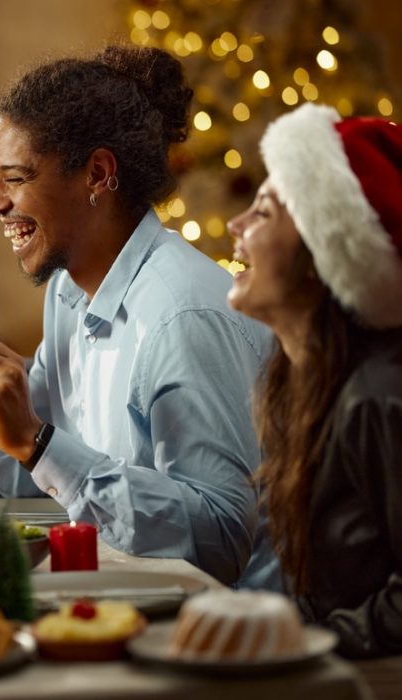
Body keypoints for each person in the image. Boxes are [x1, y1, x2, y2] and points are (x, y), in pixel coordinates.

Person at [0, 45, 276, 587]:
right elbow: (37, 473)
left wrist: (38, 442)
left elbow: (222, 541)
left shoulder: (183, 317)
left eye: (14, 178)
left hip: (222, 631)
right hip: (123, 594)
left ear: (97, 175)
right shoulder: (68, 290)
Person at [227, 103, 402, 657]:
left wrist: (299, 649)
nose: (236, 226)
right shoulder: (292, 381)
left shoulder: (377, 398)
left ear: (320, 252)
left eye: (263, 213)